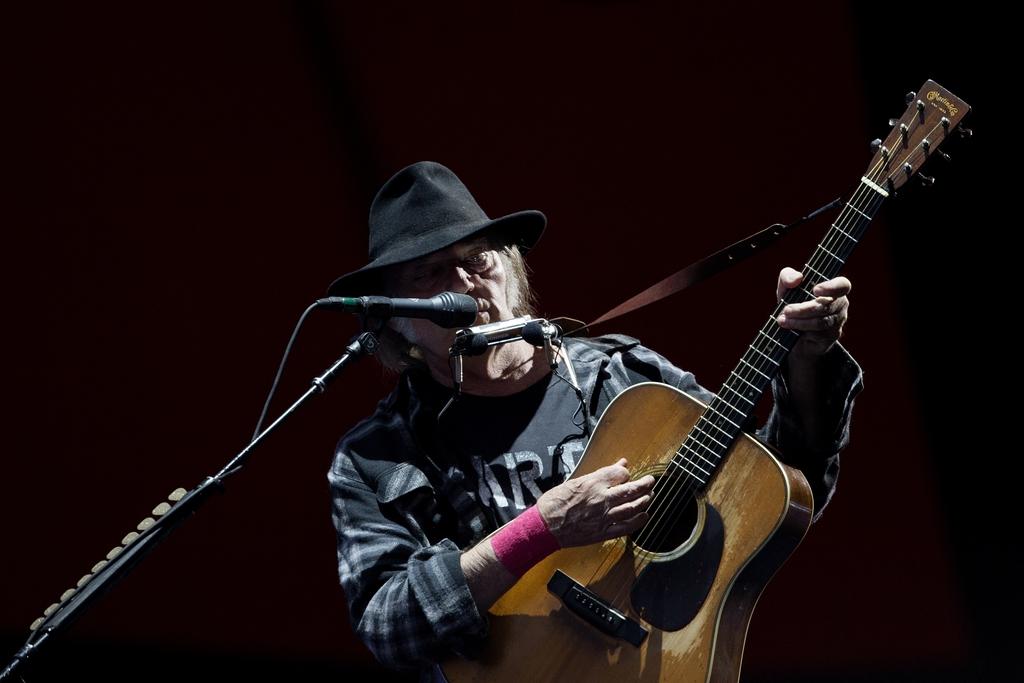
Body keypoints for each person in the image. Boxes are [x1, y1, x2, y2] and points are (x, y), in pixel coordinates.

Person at [326, 161, 864, 679]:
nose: (464, 284)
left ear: (511, 270)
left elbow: (775, 494)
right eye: (431, 273)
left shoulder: (624, 378)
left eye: (479, 259)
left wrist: (808, 359)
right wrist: (542, 529)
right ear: (394, 316)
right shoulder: (379, 454)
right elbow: (389, 627)